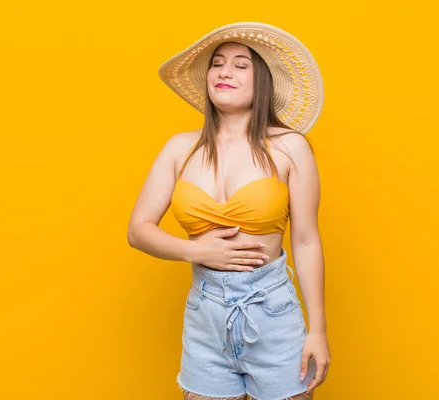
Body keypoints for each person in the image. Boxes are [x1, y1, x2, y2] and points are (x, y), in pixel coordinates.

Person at [128, 22, 330, 400]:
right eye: (217, 63)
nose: (224, 72)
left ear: (263, 81)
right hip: (205, 314)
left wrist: (317, 331)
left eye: (241, 65)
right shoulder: (179, 148)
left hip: (273, 312)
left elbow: (305, 241)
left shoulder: (290, 147)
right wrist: (196, 251)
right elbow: (138, 229)